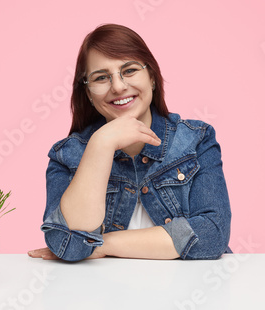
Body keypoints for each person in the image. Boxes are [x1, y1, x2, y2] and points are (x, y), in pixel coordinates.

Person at [28, 24, 231, 261]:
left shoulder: (196, 139)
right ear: (88, 94)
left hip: (186, 289)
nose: (118, 86)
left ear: (152, 77)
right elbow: (70, 247)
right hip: (104, 293)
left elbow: (211, 236)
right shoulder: (67, 155)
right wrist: (101, 144)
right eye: (101, 77)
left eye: (130, 70)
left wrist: (103, 244)